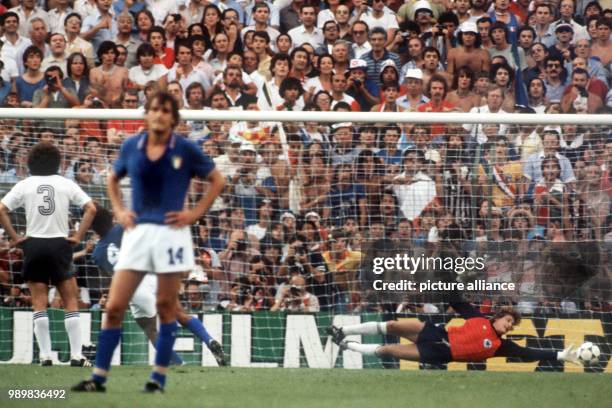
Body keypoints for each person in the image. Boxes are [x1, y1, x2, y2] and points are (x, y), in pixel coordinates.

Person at [72, 92, 226, 393]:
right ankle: (97, 378)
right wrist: (118, 209)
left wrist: (194, 213)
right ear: (147, 114)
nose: (158, 114)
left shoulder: (186, 149)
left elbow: (218, 180)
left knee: (167, 307)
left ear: (174, 117)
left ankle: (159, 378)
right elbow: (112, 179)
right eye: (154, 109)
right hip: (138, 235)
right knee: (114, 306)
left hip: (171, 235)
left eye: (165, 110)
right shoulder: (132, 146)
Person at [90, 204, 226, 366]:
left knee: (151, 331)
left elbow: (114, 279)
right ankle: (209, 340)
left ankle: (179, 364)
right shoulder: (124, 228)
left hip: (133, 287)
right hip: (152, 274)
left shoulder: (97, 253)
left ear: (93, 228)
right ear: (111, 218)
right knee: (180, 314)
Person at [0, 142, 97, 366]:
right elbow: (91, 208)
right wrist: (78, 236)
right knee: (70, 301)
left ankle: (44, 356)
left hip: (33, 244)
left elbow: (1, 209)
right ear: (57, 162)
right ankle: (75, 355)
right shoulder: (65, 183)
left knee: (39, 302)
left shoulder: (25, 185)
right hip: (60, 244)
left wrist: (15, 237)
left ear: (31, 161)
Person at [328, 301, 582, 366]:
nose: (508, 326)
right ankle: (343, 329)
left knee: (388, 350)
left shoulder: (499, 346)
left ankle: (346, 345)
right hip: (433, 332)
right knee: (393, 325)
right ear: (497, 317)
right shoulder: (478, 318)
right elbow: (454, 298)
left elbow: (529, 353)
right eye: (507, 321)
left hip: (436, 353)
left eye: (511, 326)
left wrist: (560, 354)